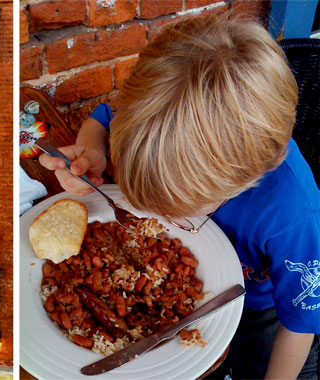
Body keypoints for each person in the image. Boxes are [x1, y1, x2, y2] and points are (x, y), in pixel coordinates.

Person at [39, 15, 319, 379]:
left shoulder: (295, 214)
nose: (159, 218)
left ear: (245, 179)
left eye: (176, 208)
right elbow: (103, 119)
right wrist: (94, 153)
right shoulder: (157, 118)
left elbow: (300, 323)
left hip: (264, 311)